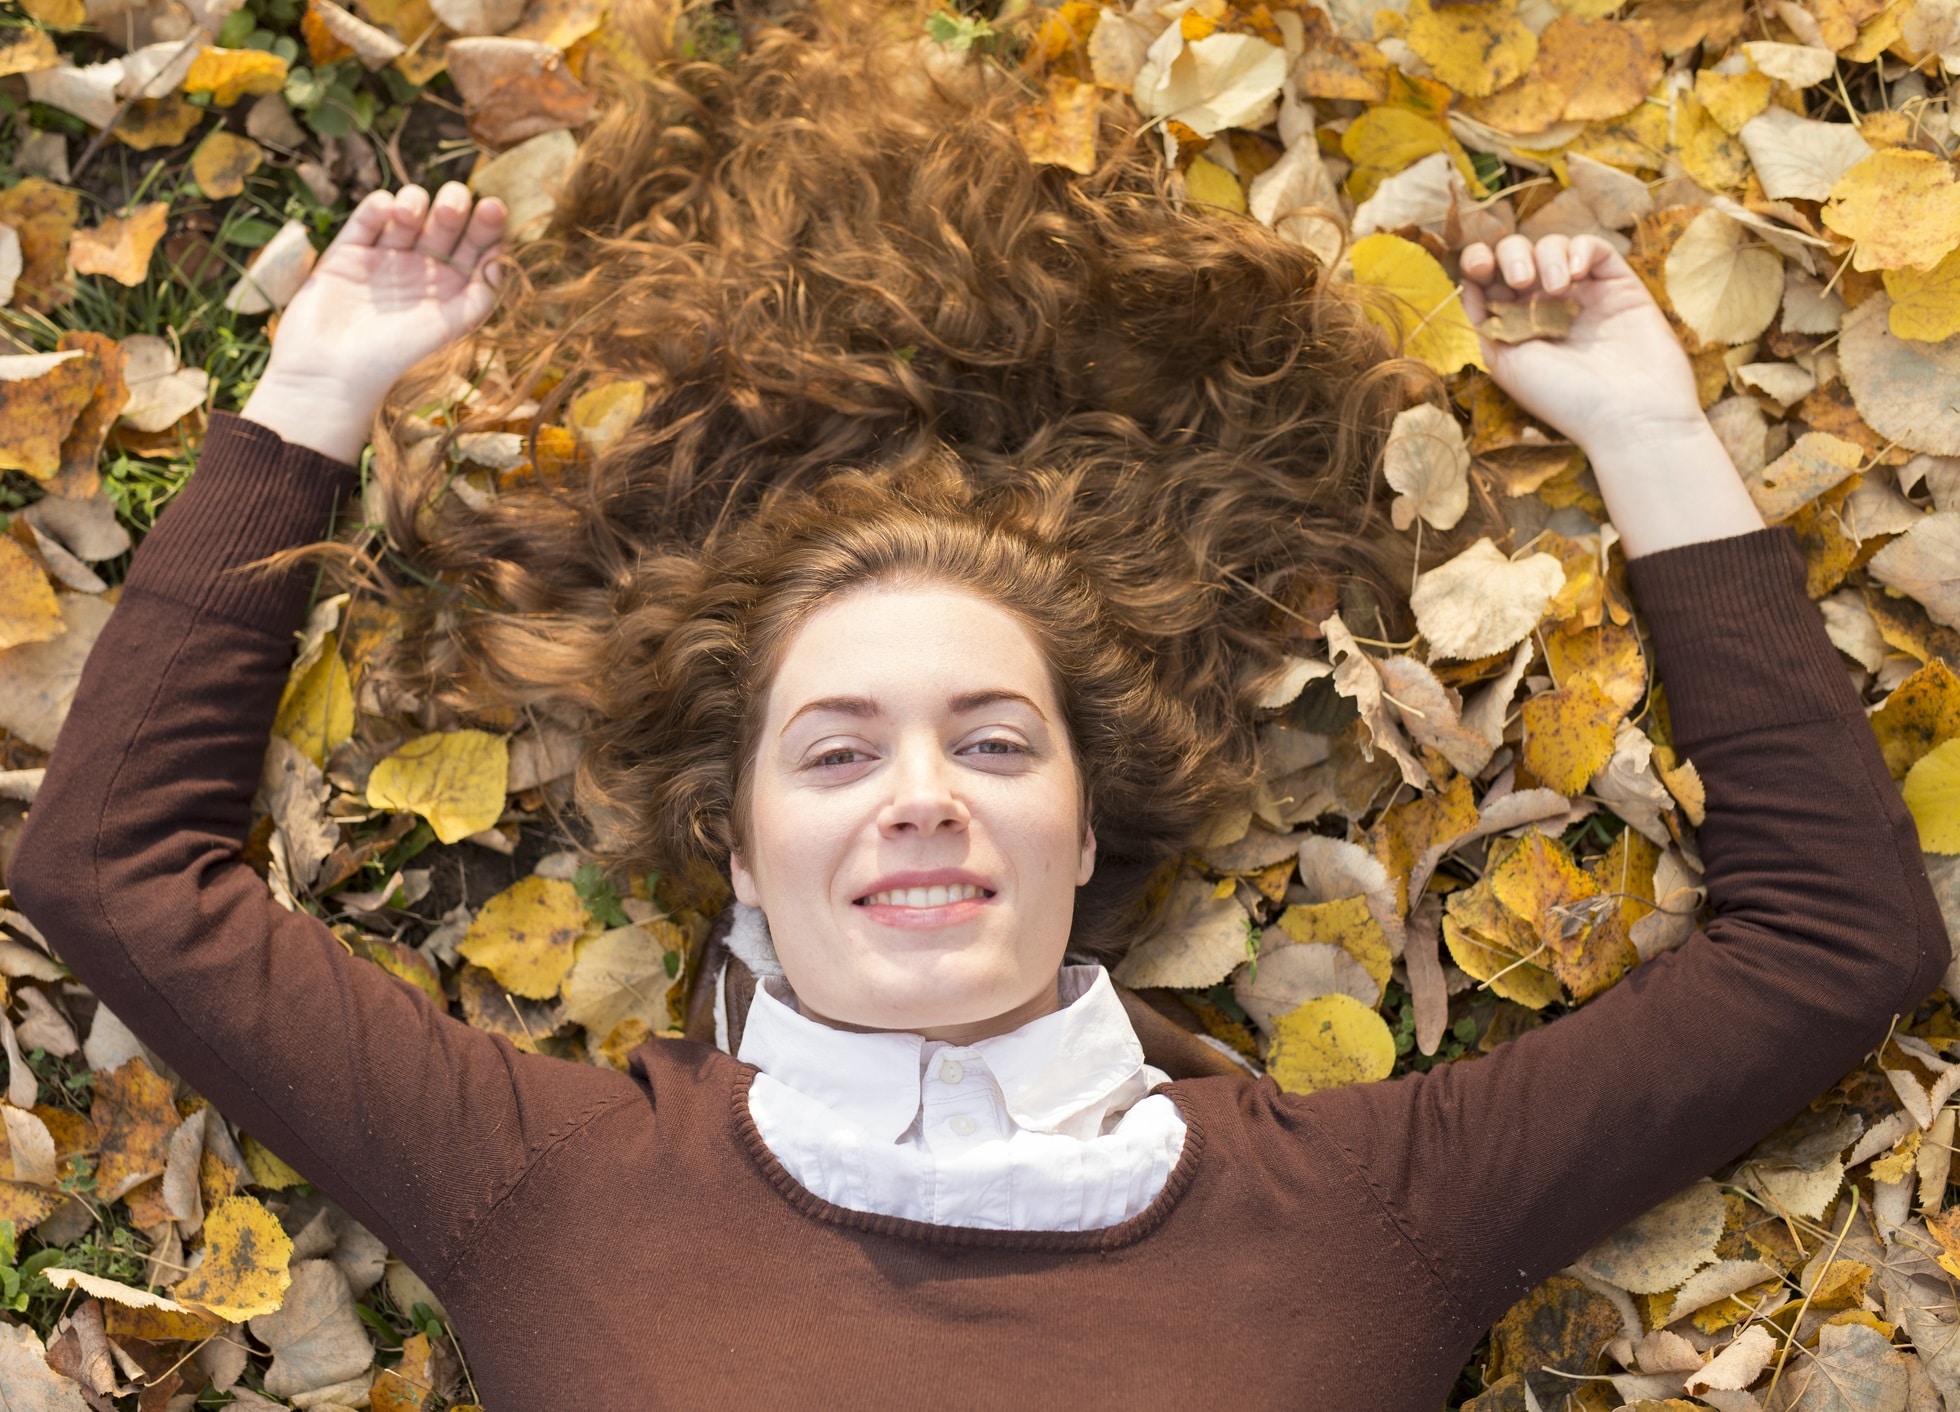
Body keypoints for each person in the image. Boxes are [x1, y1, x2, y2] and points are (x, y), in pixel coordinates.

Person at [11, 3, 1948, 1405]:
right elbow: (113, 868)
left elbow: (1831, 941)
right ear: (744, 850)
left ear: (1083, 828)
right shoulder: (554, 1183)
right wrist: (316, 396)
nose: (921, 791)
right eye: (836, 750)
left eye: (993, 739)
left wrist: (1643, 427)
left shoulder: (1366, 1208)